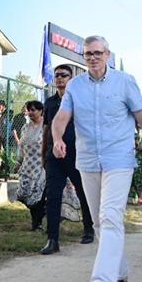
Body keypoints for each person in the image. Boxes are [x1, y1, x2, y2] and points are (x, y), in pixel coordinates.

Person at [52, 35, 142, 282]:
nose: (92, 57)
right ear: (83, 57)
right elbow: (61, 118)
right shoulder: (76, 86)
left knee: (110, 215)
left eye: (97, 53)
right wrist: (57, 138)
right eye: (88, 53)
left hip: (119, 159)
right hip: (88, 161)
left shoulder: (125, 81)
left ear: (108, 54)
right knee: (100, 221)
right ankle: (120, 275)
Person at [40, 64, 94, 255]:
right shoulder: (50, 103)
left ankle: (89, 228)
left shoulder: (80, 100)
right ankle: (52, 239)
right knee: (52, 196)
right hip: (54, 156)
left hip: (77, 154)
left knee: (83, 193)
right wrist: (43, 154)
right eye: (57, 76)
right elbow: (46, 129)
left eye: (64, 75)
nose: (60, 78)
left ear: (71, 79)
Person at [15, 100, 46, 230]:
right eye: (29, 110)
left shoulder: (46, 126)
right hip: (27, 166)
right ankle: (39, 217)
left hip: (41, 166)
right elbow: (21, 146)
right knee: (25, 196)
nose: (30, 113)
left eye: (33, 110)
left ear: (40, 111)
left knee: (38, 196)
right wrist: (18, 161)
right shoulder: (25, 128)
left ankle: (37, 223)